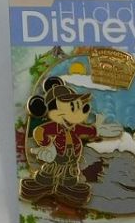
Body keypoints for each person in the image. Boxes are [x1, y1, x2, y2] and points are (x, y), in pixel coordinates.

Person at [20, 75, 103, 208]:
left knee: (69, 179)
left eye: (80, 106)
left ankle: (66, 188)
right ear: (54, 112)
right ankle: (44, 185)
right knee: (47, 175)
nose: (81, 112)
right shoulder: (56, 126)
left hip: (71, 161)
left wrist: (97, 130)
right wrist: (46, 145)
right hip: (56, 158)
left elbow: (88, 131)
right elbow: (40, 131)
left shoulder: (75, 127)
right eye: (73, 107)